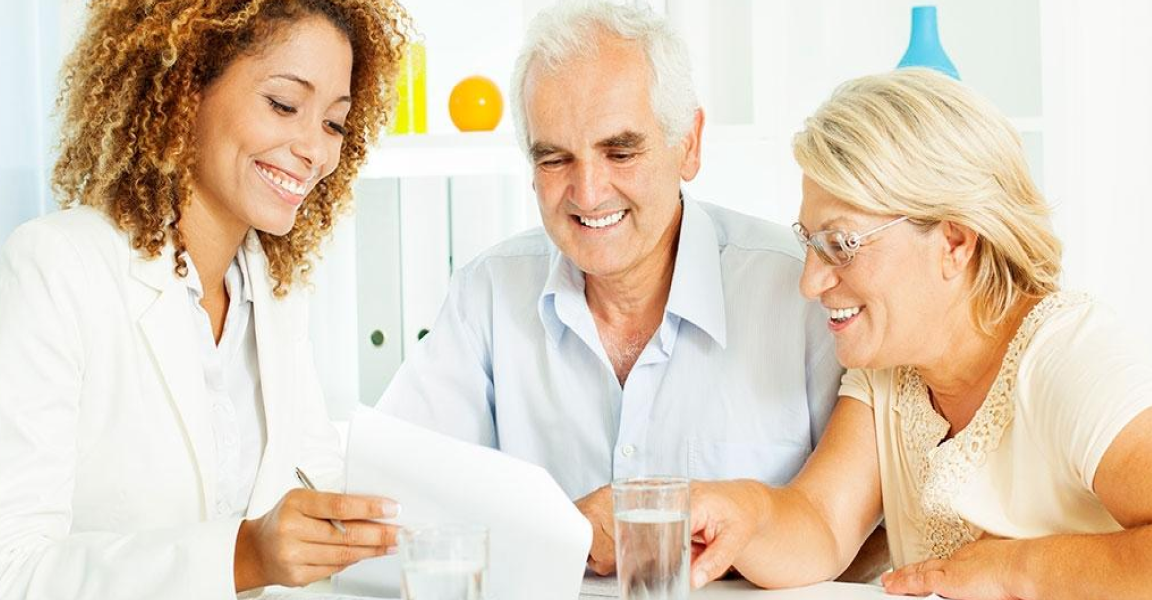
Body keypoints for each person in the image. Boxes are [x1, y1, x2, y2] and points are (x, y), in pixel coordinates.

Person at [376, 0, 859, 577]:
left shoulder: (801, 291)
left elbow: (867, 533)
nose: (587, 191)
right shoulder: (487, 294)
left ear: (690, 144)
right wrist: (559, 530)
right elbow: (389, 507)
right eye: (555, 159)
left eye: (620, 150)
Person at [688, 68, 1152, 598]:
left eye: (840, 244)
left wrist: (1015, 568)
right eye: (809, 242)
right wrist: (740, 511)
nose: (810, 282)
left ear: (953, 241)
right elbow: (820, 523)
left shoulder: (1067, 355)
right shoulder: (891, 368)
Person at [0, 1, 413, 597]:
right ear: (184, 88)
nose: (317, 152)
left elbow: (325, 507)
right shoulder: (56, 268)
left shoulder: (275, 296)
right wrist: (242, 555)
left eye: (334, 123)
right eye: (284, 105)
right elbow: (12, 568)